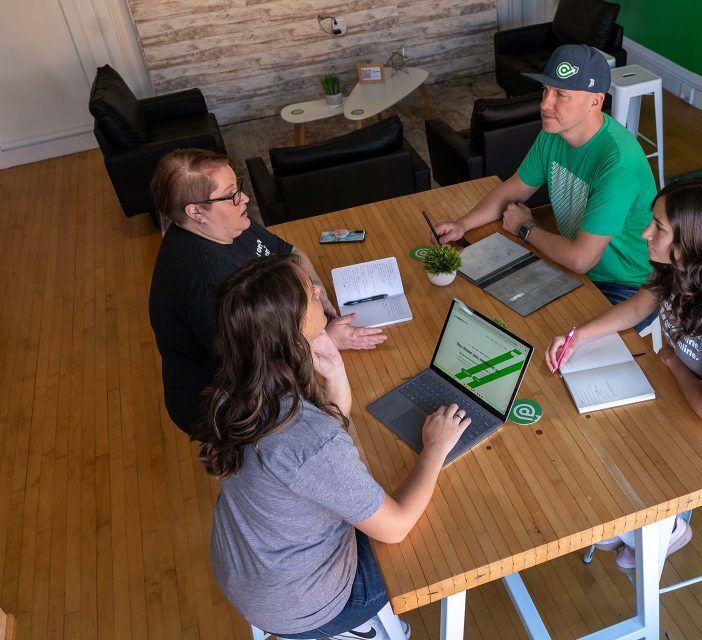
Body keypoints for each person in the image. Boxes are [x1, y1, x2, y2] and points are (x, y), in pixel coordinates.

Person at [202, 253, 470, 639]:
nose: (318, 289)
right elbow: (394, 527)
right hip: (304, 607)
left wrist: (337, 375)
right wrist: (435, 448)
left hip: (245, 567)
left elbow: (317, 453)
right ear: (291, 331)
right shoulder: (306, 440)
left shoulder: (237, 388)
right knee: (441, 550)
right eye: (310, 294)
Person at [545, 177, 702, 570]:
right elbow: (637, 307)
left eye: (658, 227)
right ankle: (646, 522)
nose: (645, 232)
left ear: (692, 241)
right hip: (681, 393)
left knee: (648, 470)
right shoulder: (678, 267)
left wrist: (674, 365)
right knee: (613, 442)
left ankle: (671, 524)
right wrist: (576, 335)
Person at [148, 149, 385, 438]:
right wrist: (323, 338)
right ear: (195, 211)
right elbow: (257, 371)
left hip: (270, 360)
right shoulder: (207, 285)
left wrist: (320, 298)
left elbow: (291, 255)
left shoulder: (229, 223)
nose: (244, 199)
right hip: (230, 405)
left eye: (240, 188)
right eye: (231, 194)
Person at [434, 44, 659, 326]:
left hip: (622, 286)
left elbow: (581, 259)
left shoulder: (617, 166)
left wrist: (525, 228)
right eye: (546, 90)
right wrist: (462, 224)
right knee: (489, 307)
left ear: (595, 101)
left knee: (535, 332)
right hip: (573, 263)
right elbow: (514, 188)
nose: (545, 103)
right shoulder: (555, 132)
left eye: (561, 95)